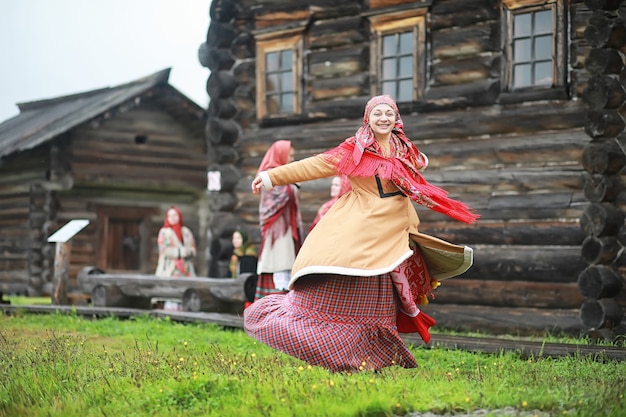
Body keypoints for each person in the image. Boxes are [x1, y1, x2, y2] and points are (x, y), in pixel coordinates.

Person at [245, 95, 479, 373]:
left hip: (394, 235)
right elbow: (316, 164)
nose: (384, 118)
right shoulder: (353, 150)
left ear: (396, 118)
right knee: (349, 281)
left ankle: (372, 359)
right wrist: (272, 176)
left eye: (389, 113)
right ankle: (335, 348)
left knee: (380, 298)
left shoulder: (403, 148)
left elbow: (419, 162)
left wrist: (421, 161)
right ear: (367, 118)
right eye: (378, 113)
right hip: (363, 231)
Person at [254, 140, 303, 300]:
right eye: (290, 155)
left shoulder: (283, 173)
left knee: (287, 265)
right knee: (279, 265)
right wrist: (292, 182)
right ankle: (273, 306)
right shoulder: (270, 174)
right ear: (281, 154)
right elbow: (277, 198)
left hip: (287, 228)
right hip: (277, 231)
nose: (291, 159)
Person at [155, 206, 197, 278]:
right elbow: (165, 250)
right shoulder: (164, 232)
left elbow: (193, 249)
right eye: (170, 216)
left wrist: (190, 251)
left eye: (175, 215)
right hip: (169, 269)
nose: (172, 218)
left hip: (186, 270)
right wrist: (183, 252)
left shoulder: (186, 231)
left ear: (179, 216)